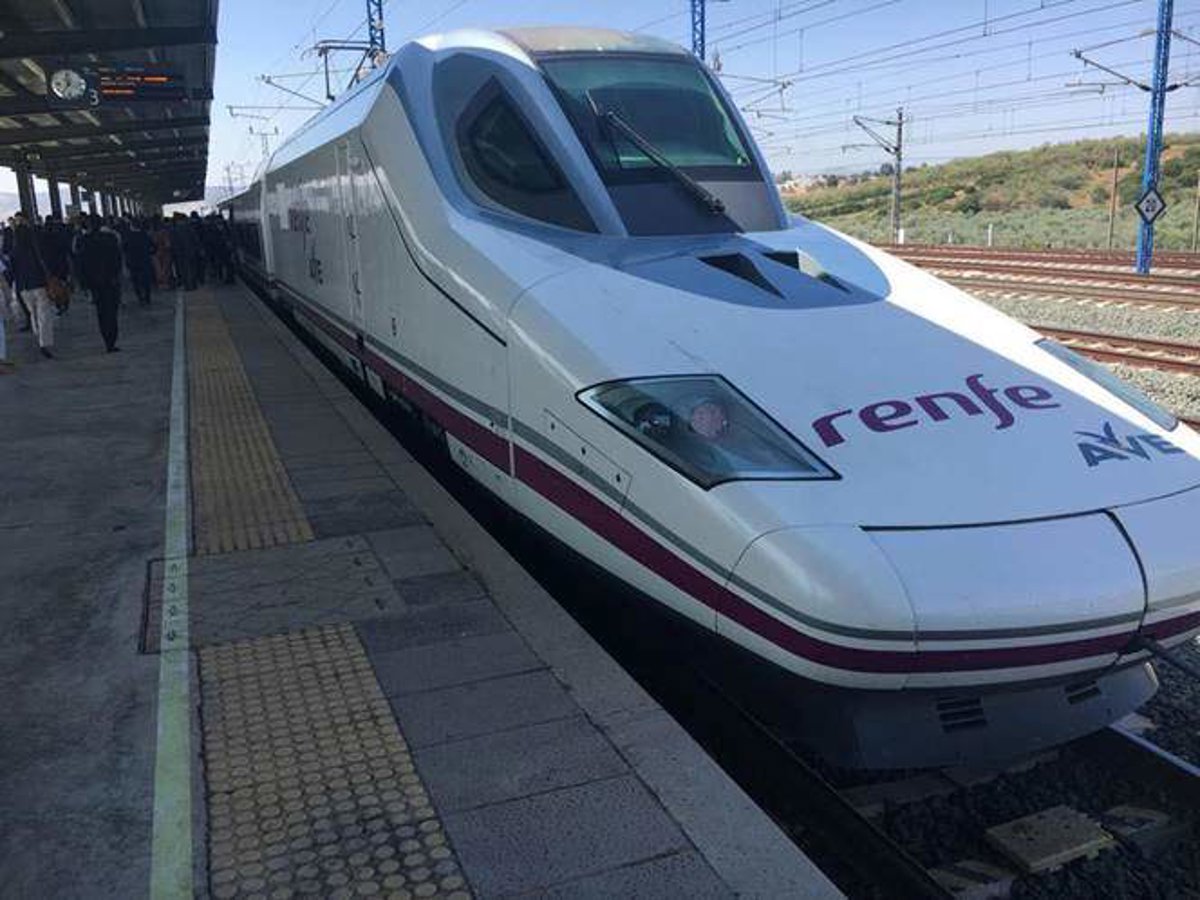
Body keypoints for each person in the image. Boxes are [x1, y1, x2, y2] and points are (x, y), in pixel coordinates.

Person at [10, 214, 55, 358]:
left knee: (33, 313)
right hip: (38, 284)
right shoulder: (35, 249)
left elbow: (12, 272)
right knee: (44, 314)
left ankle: (38, 334)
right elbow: (43, 265)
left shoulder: (14, 252)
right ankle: (44, 342)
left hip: (24, 287)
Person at [79, 215, 123, 353]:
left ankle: (107, 340)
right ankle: (112, 339)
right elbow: (117, 259)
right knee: (112, 311)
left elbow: (81, 264)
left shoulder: (83, 240)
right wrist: (117, 275)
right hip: (111, 280)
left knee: (101, 312)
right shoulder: (110, 238)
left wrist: (84, 284)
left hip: (94, 283)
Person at [123, 218, 155, 306]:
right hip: (145, 261)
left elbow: (124, 248)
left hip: (133, 262)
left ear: (131, 226)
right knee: (146, 280)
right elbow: (153, 246)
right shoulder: (145, 235)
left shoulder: (128, 236)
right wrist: (149, 253)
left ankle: (140, 297)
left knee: (135, 281)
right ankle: (147, 297)